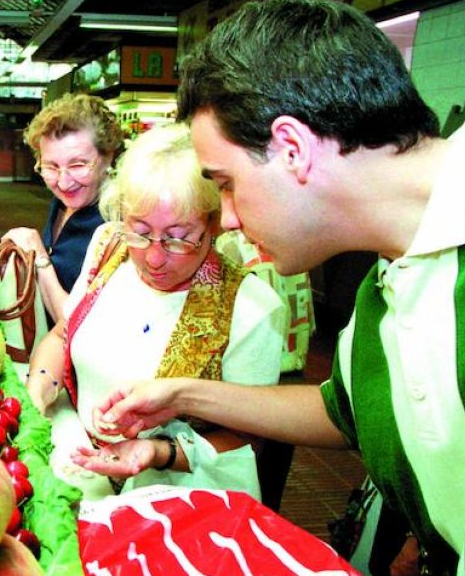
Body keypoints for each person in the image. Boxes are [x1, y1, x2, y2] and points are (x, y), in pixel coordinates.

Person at [93, 0, 465, 576]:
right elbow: (343, 412)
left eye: (226, 184)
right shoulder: (383, 288)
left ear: (294, 149)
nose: (225, 219)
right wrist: (182, 396)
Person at [25, 124, 286, 501]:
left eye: (179, 237)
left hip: (184, 502)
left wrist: (159, 452)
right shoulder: (108, 248)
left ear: (215, 225)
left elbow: (247, 439)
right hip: (88, 476)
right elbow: (64, 333)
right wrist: (38, 391)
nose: (154, 256)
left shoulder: (250, 308)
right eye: (140, 231)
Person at [0, 94, 124, 325]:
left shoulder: (118, 226)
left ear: (108, 157)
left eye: (78, 165)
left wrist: (40, 259)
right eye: (51, 166)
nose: (64, 182)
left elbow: (80, 328)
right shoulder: (64, 203)